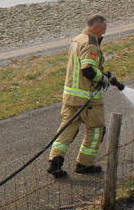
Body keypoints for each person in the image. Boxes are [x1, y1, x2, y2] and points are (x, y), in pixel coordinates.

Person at [48, 14, 125, 178]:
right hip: (87, 99)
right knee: (96, 130)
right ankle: (84, 164)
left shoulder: (77, 39)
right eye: (103, 29)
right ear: (97, 27)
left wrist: (105, 75)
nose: (104, 33)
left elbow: (84, 67)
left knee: (66, 130)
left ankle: (54, 163)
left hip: (70, 97)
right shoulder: (90, 44)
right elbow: (88, 70)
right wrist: (102, 79)